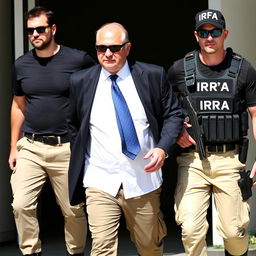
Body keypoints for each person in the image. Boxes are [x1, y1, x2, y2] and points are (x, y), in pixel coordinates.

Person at [67, 22, 184, 256]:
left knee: (149, 246)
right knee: (102, 248)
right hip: (100, 180)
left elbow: (173, 114)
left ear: (127, 48)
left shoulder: (151, 75)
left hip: (142, 179)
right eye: (101, 48)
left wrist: (162, 148)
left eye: (114, 48)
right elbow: (73, 125)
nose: (108, 54)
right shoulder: (80, 81)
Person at [168, 8, 256, 256]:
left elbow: (255, 114)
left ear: (225, 33)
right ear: (196, 35)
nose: (210, 37)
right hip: (193, 160)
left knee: (233, 232)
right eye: (203, 32)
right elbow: (166, 111)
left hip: (230, 161)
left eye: (215, 31)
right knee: (190, 229)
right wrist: (175, 133)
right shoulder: (179, 70)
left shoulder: (243, 70)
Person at [8, 6, 95, 256]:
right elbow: (18, 104)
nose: (35, 34)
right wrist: (14, 146)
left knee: (72, 208)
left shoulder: (78, 60)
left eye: (40, 29)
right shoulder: (21, 64)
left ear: (53, 29)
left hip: (66, 147)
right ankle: (30, 251)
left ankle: (75, 251)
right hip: (31, 146)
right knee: (21, 204)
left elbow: (96, 92)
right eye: (30, 31)